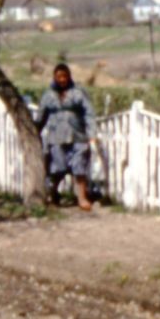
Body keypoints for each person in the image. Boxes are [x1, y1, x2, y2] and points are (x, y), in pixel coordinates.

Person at [35, 62, 98, 209]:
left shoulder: (78, 93)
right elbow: (40, 117)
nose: (62, 79)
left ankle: (82, 198)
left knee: (79, 166)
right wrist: (35, 132)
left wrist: (92, 133)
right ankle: (53, 194)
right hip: (56, 137)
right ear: (54, 77)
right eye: (59, 77)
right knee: (58, 167)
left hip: (78, 135)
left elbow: (89, 114)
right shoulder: (48, 96)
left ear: (69, 77)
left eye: (65, 76)